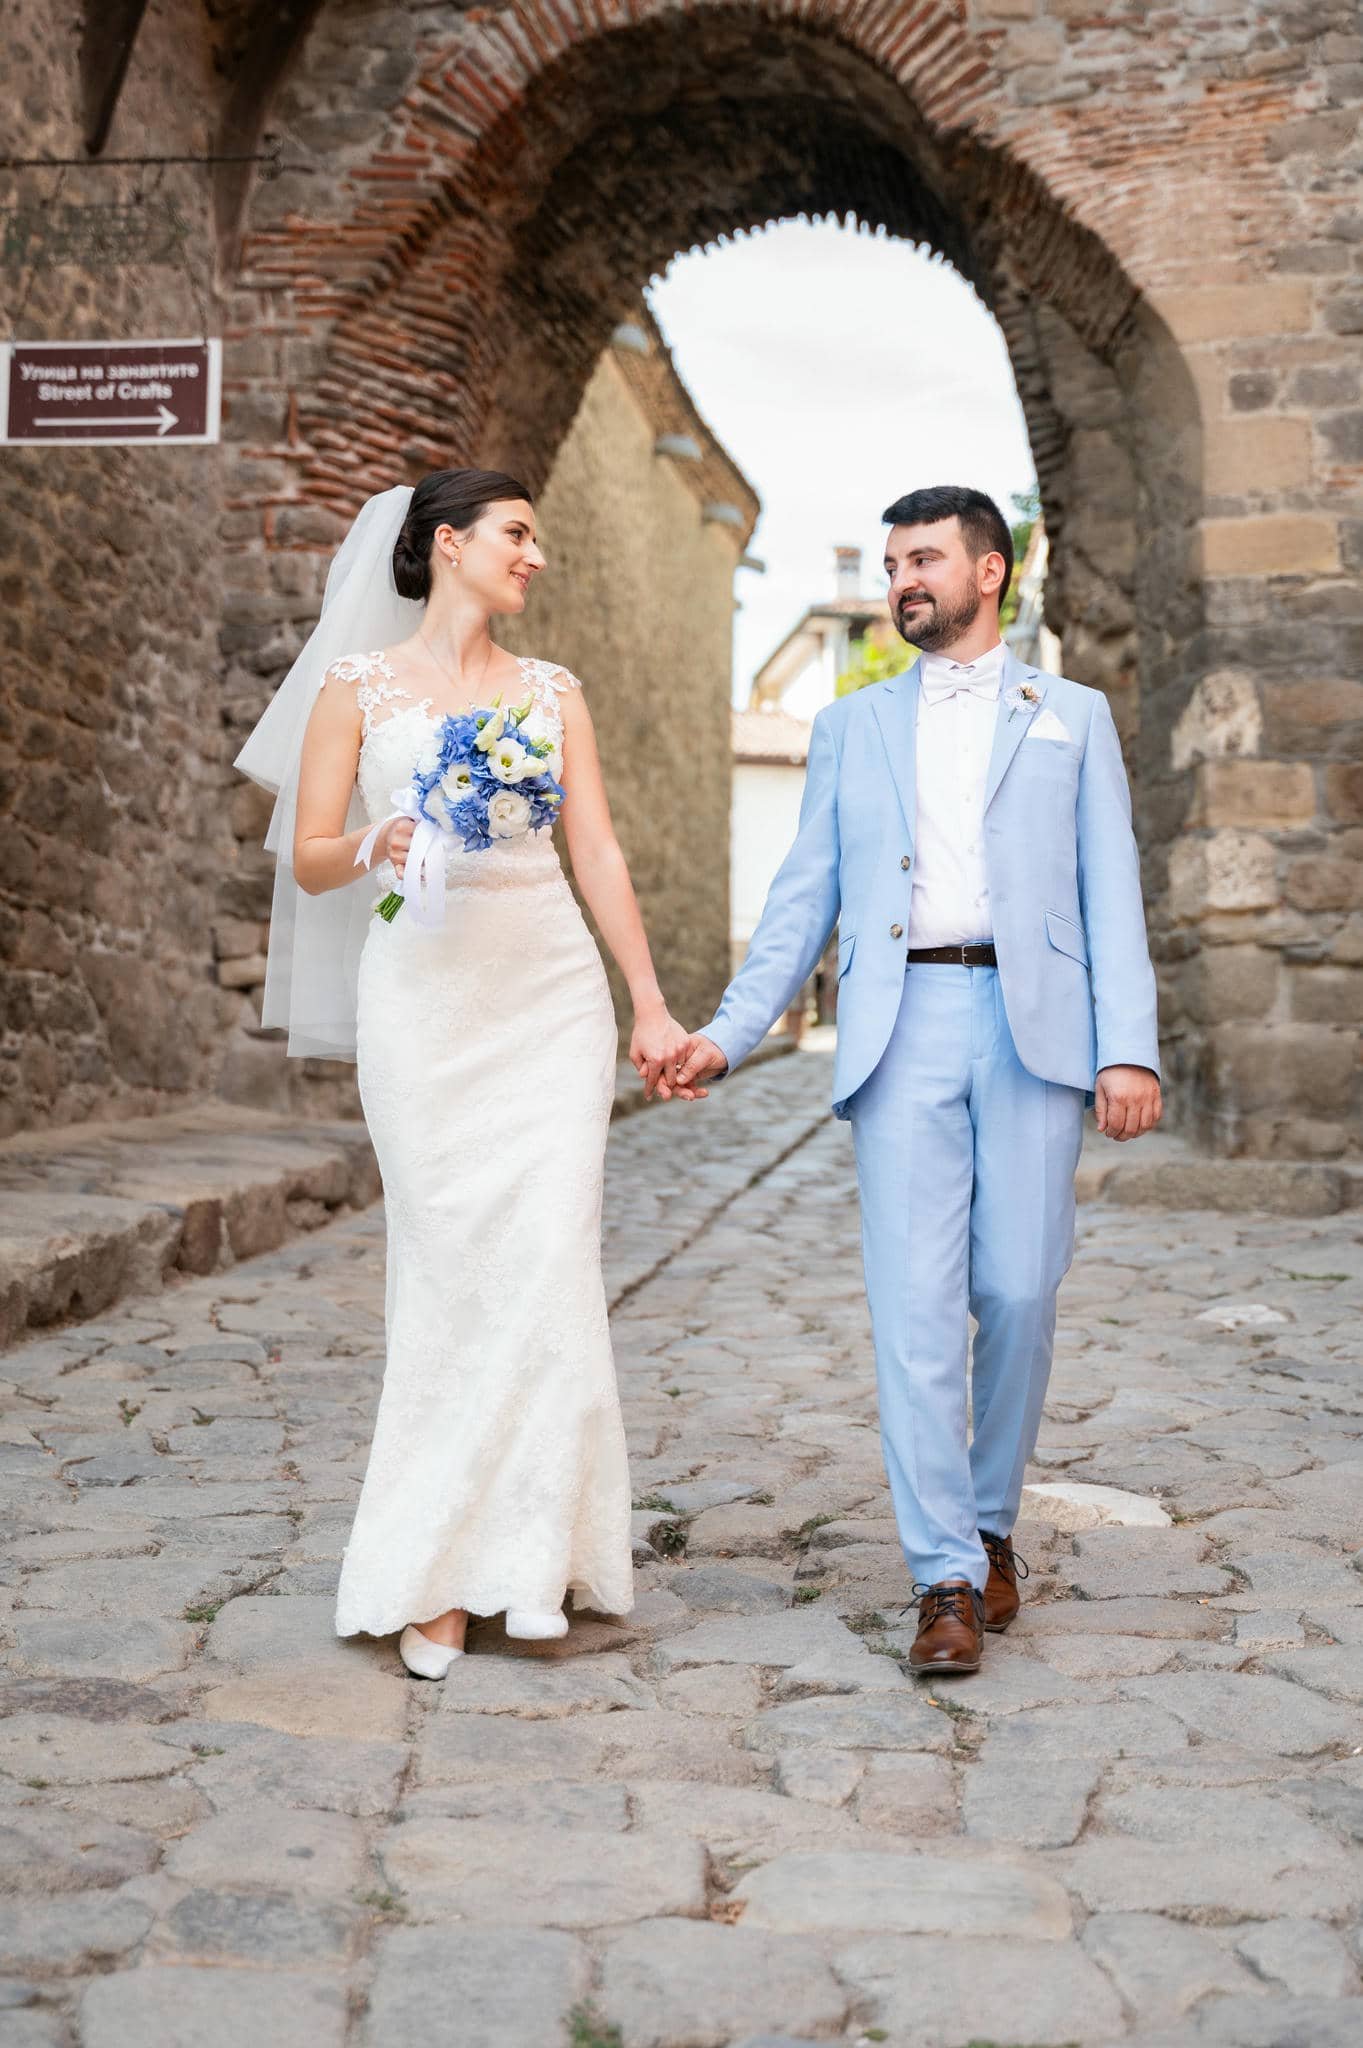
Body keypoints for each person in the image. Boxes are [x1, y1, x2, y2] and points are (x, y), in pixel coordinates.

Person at [674, 484, 1162, 1675]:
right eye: (895, 562)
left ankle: (991, 1521)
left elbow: (1110, 884)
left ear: (989, 571)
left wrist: (1128, 1043)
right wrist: (730, 1032)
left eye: (925, 559)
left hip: (1035, 1025)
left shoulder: (1072, 715)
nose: (903, 580)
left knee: (1020, 1290)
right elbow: (804, 894)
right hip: (899, 1024)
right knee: (914, 1309)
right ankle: (943, 1572)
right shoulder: (851, 725)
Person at [235, 470, 688, 1679]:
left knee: (547, 1265)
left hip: (547, 997)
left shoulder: (553, 693)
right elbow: (310, 855)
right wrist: (375, 838)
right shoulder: (356, 688)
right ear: (448, 543)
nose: (535, 555)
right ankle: (431, 1576)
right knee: (445, 1273)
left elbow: (595, 848)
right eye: (516, 534)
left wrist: (646, 1001)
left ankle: (530, 1561)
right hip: (423, 1005)